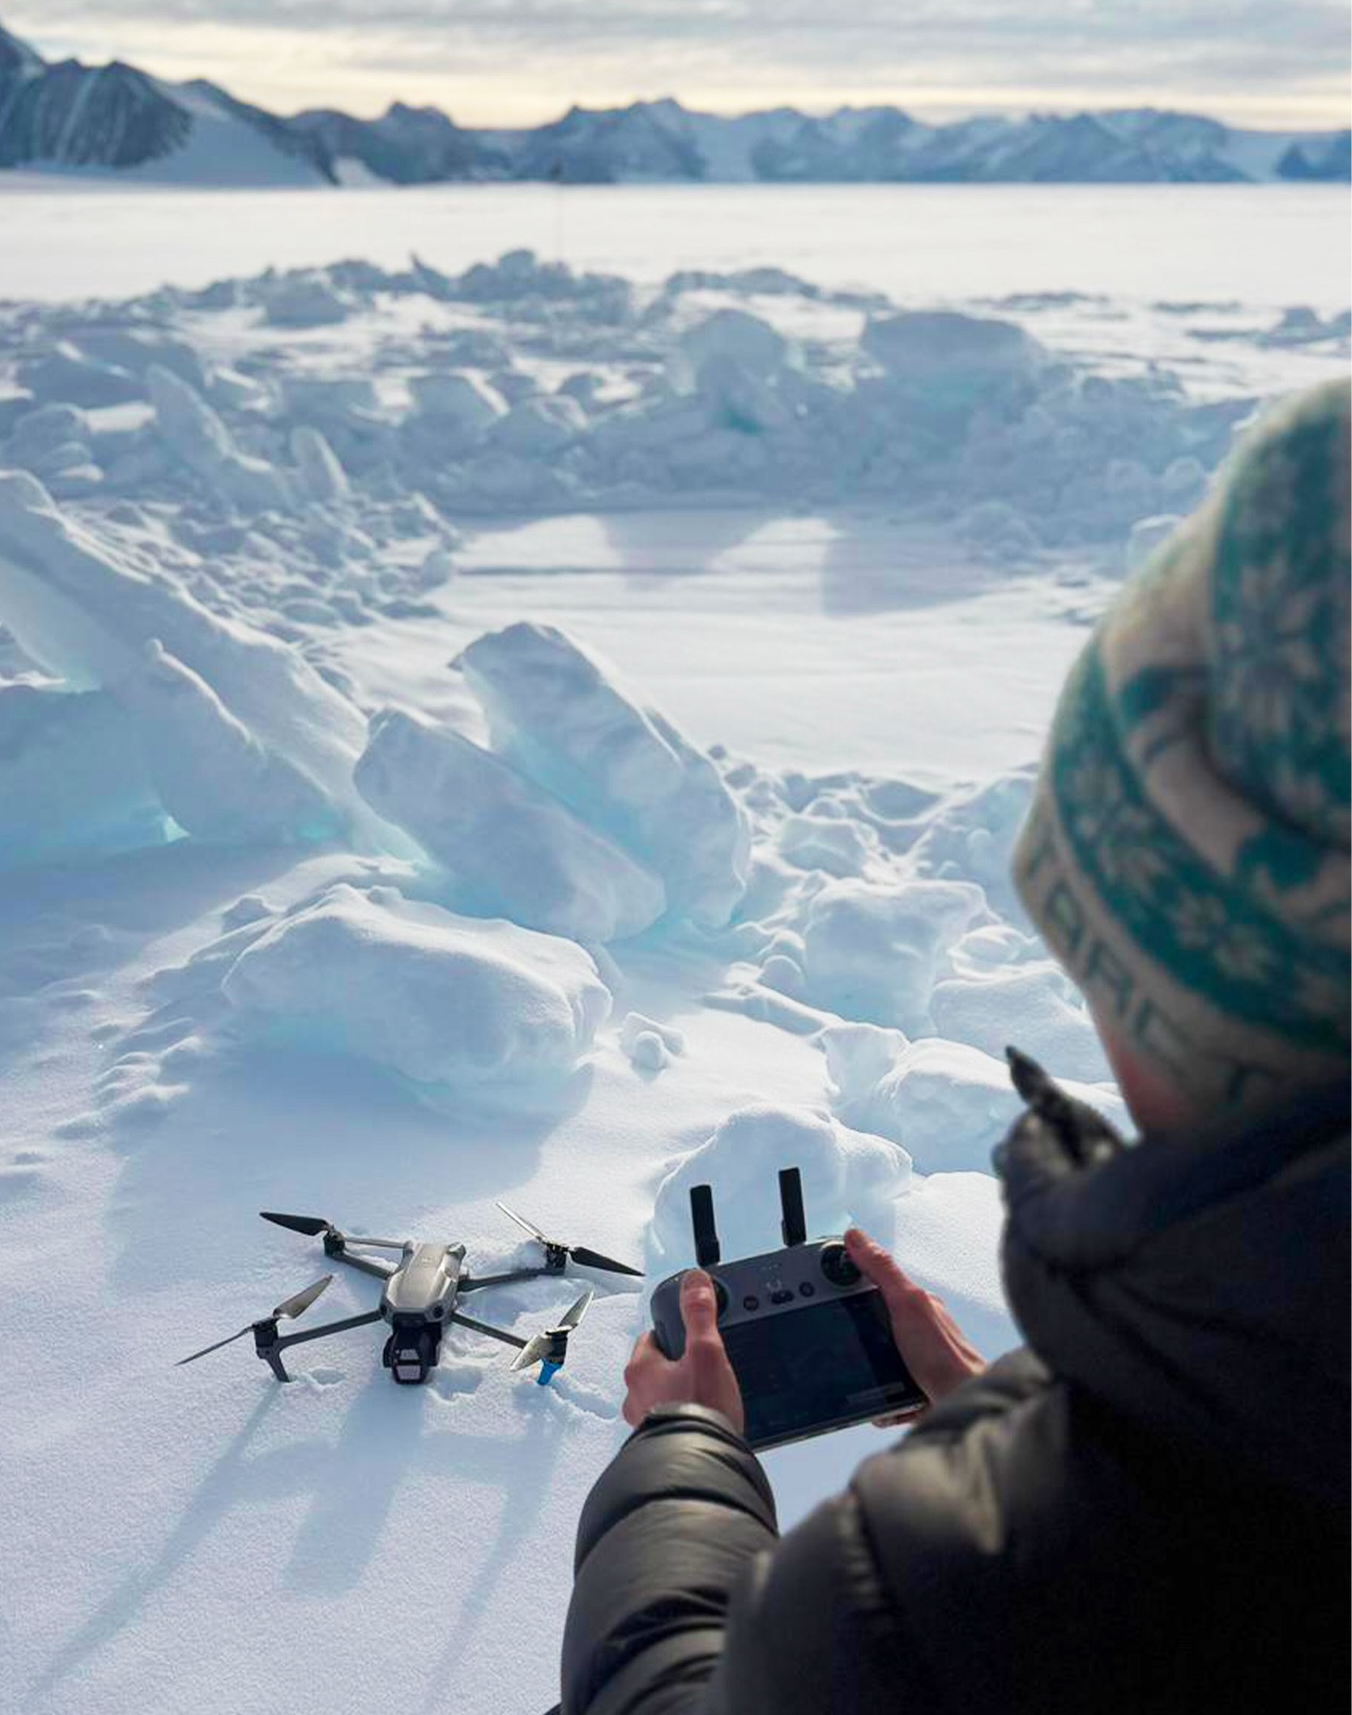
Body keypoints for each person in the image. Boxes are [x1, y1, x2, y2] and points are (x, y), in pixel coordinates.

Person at [557, 378, 1351, 1715]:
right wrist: (1041, 1426)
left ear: (1194, 997)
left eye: (1099, 959)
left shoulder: (962, 1608)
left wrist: (679, 1458)